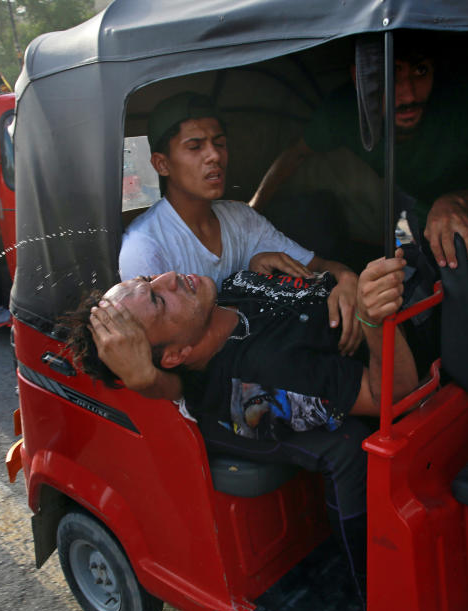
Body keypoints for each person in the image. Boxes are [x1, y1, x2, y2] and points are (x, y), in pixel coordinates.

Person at [65, 253, 419, 611]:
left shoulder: (228, 289)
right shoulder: (259, 379)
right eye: (158, 299)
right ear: (175, 355)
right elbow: (394, 395)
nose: (169, 276)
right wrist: (372, 320)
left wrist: (340, 275)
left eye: (150, 278)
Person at [118, 92, 363, 397]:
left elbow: (321, 267)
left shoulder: (240, 217)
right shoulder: (145, 247)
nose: (214, 156)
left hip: (280, 359)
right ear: (162, 164)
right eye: (195, 147)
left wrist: (348, 279)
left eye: (219, 143)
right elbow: (164, 369)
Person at [249, 44, 468, 270]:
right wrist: (253, 211)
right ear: (360, 78)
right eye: (390, 74)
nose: (408, 94)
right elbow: (295, 154)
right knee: (407, 268)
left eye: (420, 71)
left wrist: (454, 202)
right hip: (420, 209)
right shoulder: (342, 110)